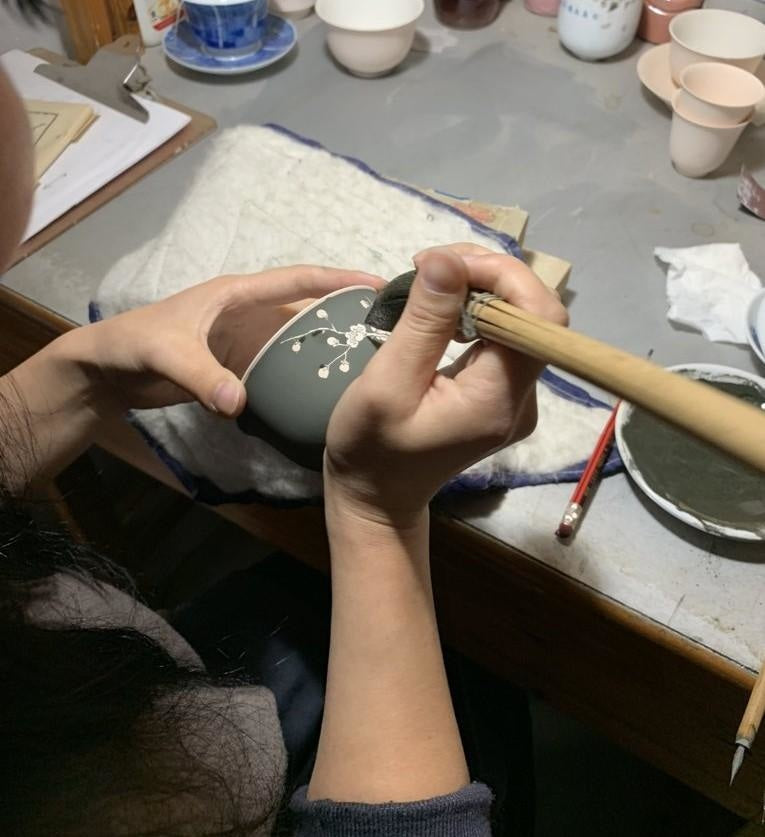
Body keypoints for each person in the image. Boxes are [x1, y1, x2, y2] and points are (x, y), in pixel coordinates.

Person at [0, 2, 569, 833]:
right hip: (189, 768)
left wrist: (79, 376)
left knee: (437, 647)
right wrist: (377, 516)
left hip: (155, 683)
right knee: (480, 660)